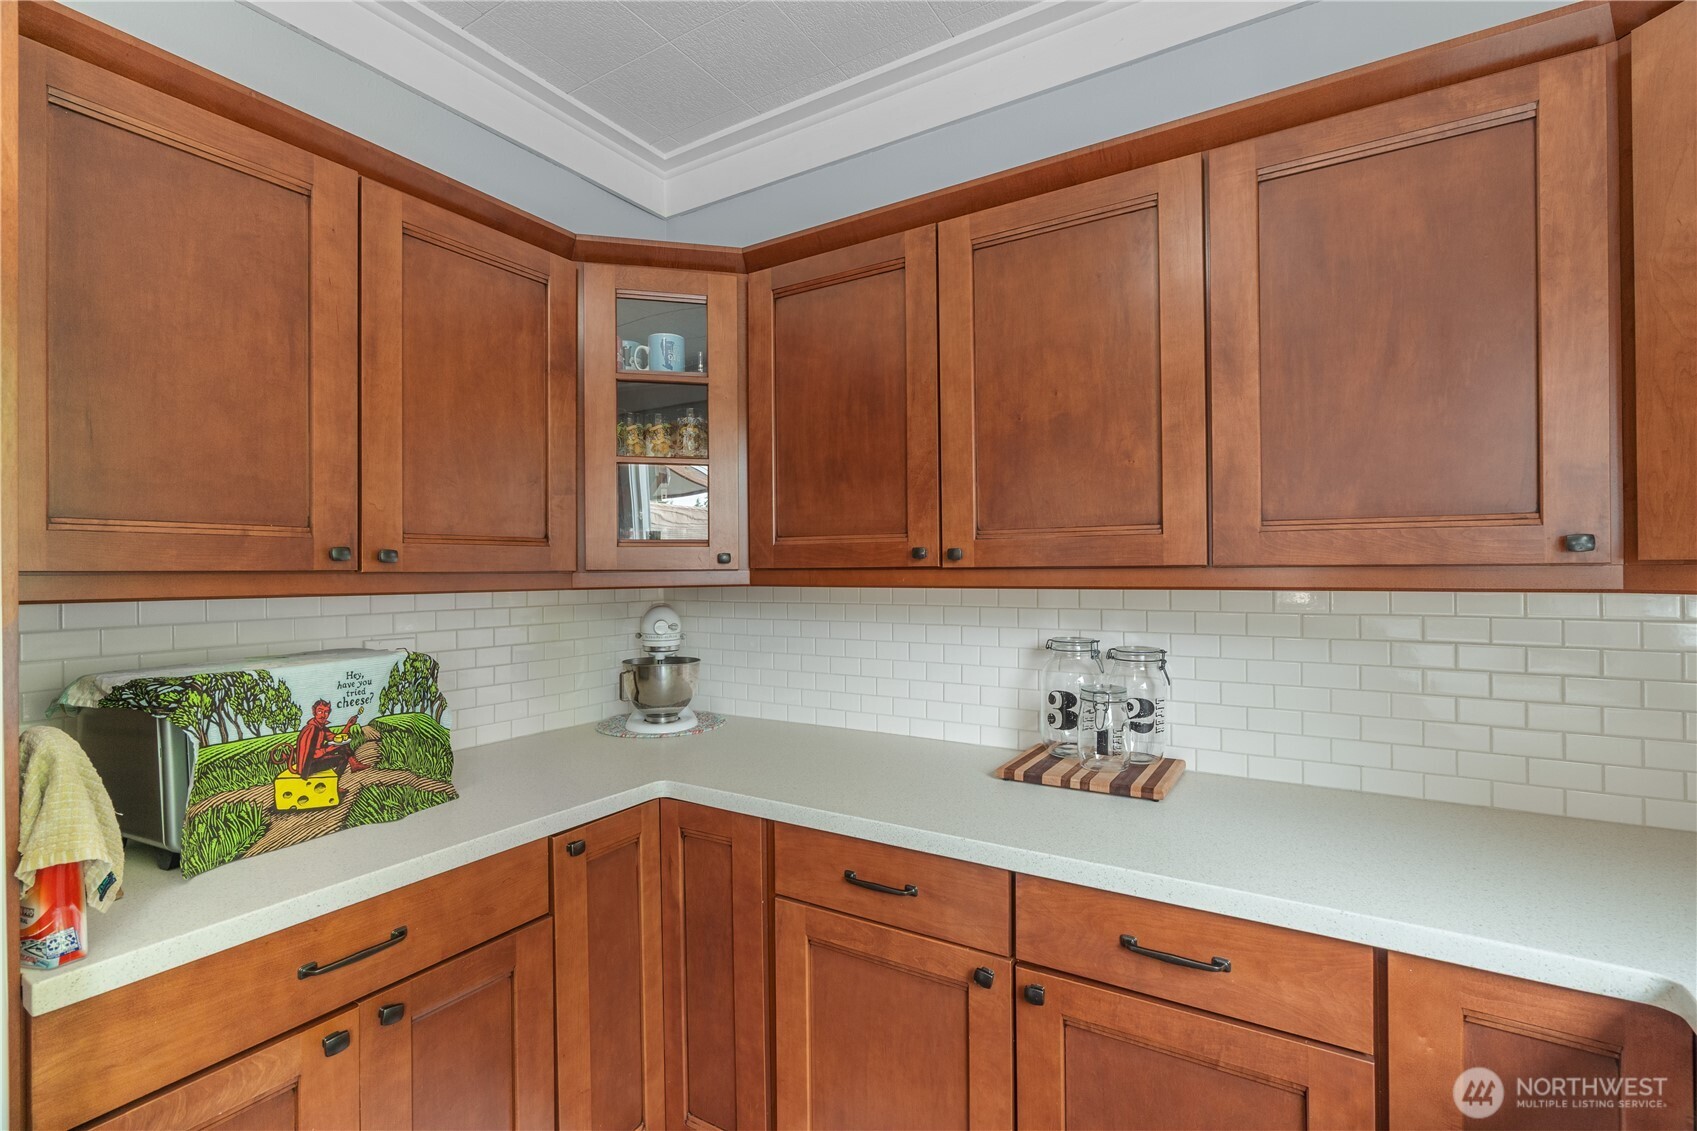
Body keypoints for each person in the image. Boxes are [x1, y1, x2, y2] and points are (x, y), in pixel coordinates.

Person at [293, 699, 369, 777]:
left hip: (317, 757)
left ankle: (354, 764)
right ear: (314, 711)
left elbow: (336, 738)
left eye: (326, 712)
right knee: (342, 758)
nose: (323, 715)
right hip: (308, 766)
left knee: (342, 744)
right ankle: (334, 783)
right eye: (320, 711)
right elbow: (310, 754)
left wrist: (349, 725)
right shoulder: (312, 729)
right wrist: (326, 750)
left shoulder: (321, 728)